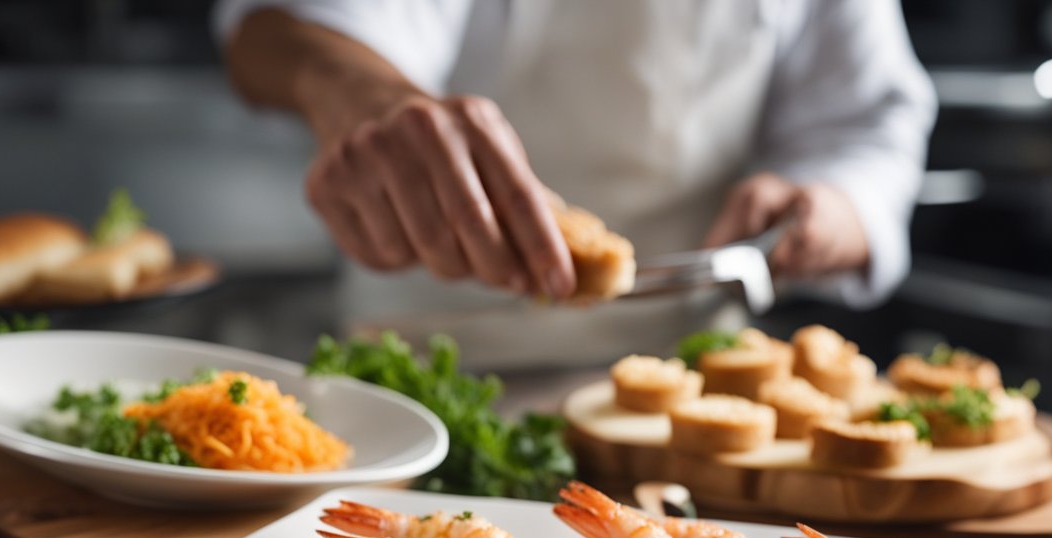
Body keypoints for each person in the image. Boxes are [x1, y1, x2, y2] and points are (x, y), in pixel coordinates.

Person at [214, 1, 936, 365]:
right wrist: (363, 95)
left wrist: (837, 203)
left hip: (689, 378)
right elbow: (278, 30)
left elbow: (866, 123)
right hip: (431, 363)